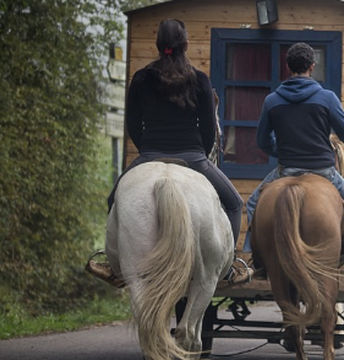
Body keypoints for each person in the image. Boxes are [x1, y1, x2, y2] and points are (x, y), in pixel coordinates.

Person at [94, 19, 249, 285]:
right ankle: (228, 265)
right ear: (186, 45)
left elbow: (133, 124)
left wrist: (148, 152)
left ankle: (113, 265)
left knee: (113, 200)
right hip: (193, 157)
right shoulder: (199, 80)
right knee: (235, 203)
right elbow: (209, 130)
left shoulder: (142, 78)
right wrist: (197, 151)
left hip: (150, 154)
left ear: (158, 45)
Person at [244, 42, 344, 285]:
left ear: (288, 67)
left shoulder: (272, 101)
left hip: (286, 170)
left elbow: (262, 141)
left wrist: (280, 149)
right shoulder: (326, 98)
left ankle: (259, 261)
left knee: (253, 204)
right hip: (324, 172)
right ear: (312, 67)